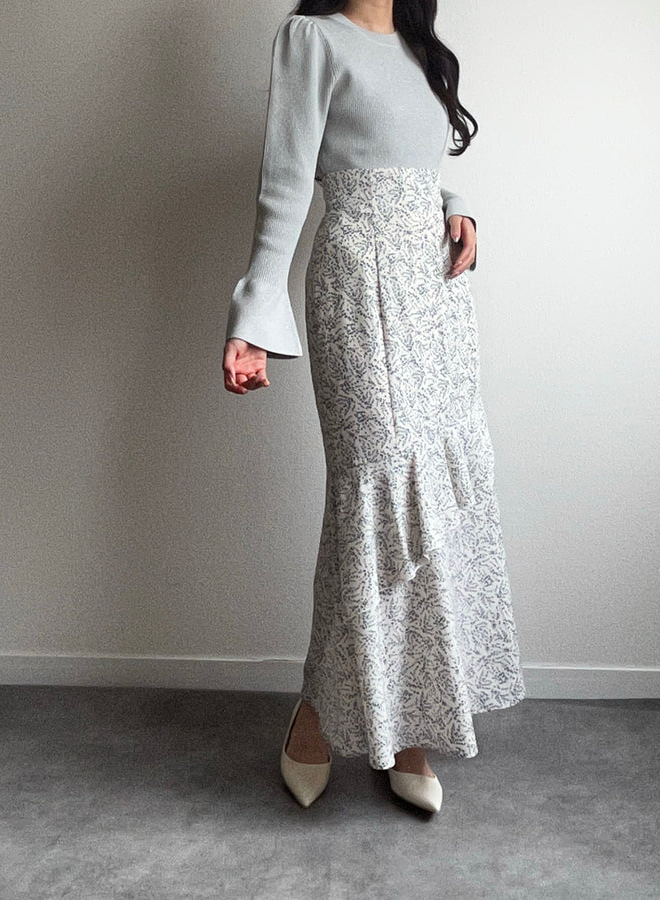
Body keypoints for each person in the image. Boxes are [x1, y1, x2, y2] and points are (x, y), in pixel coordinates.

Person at [222, 0, 526, 813]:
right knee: (375, 500)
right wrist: (253, 318)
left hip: (435, 297)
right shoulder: (313, 39)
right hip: (359, 287)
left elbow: (412, 163)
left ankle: (408, 723)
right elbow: (287, 182)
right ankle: (321, 717)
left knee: (434, 509)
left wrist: (457, 206)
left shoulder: (424, 50)